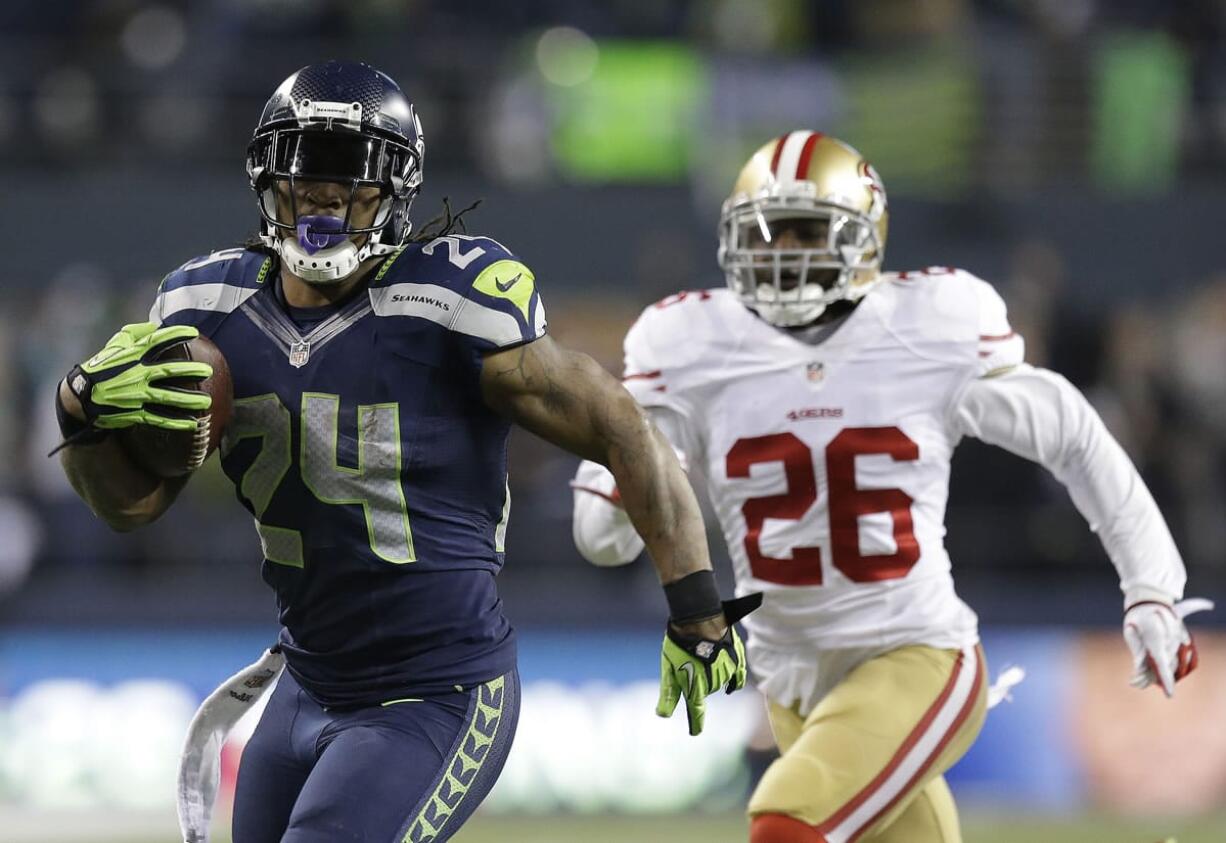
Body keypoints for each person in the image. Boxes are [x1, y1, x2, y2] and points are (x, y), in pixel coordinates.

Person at [53, 60, 757, 843]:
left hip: (439, 691)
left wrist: (698, 607)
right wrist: (79, 413)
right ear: (267, 175)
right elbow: (130, 505)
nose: (323, 191)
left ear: (397, 188)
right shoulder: (204, 311)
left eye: (351, 174)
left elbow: (624, 426)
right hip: (304, 684)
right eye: (306, 165)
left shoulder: (451, 301)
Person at [570, 130, 1210, 843]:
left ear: (863, 236)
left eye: (805, 231)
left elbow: (1071, 430)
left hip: (917, 655)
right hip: (792, 681)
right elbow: (602, 536)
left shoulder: (926, 327)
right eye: (763, 232)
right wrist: (616, 479)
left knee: (786, 822)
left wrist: (1151, 583)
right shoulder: (692, 344)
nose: (780, 254)